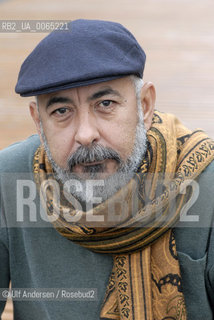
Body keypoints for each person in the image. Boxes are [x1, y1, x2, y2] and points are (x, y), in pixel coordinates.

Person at [0, 19, 214, 320]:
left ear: (144, 105)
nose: (85, 134)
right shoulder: (9, 179)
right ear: (38, 122)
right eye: (61, 111)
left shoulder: (206, 183)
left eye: (105, 103)